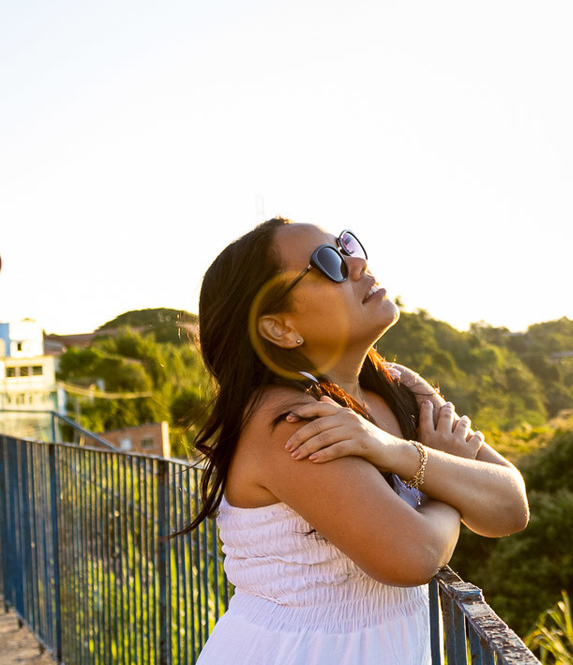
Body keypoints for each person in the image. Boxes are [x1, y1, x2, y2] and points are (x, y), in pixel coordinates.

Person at [184, 218, 529, 664]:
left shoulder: (398, 386)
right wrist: (446, 473)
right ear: (280, 328)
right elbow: (414, 555)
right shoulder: (289, 421)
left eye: (345, 245)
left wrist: (396, 452)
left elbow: (510, 505)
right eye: (327, 263)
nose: (358, 262)